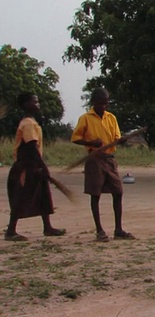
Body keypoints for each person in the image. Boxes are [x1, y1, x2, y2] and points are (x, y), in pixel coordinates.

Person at [71, 88, 135, 242]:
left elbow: (116, 138)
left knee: (118, 192)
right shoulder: (85, 118)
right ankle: (99, 230)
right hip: (94, 159)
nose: (104, 106)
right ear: (93, 102)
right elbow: (75, 138)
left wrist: (122, 141)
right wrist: (90, 142)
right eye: (101, 103)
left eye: (106, 103)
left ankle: (118, 229)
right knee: (95, 194)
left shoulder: (111, 118)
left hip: (110, 159)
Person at [5, 93, 66, 241]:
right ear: (26, 104)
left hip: (33, 165)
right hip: (26, 166)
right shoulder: (28, 124)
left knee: (43, 195)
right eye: (35, 102)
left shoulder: (33, 122)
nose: (38, 105)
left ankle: (47, 227)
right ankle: (10, 230)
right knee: (21, 196)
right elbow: (32, 146)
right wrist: (43, 166)